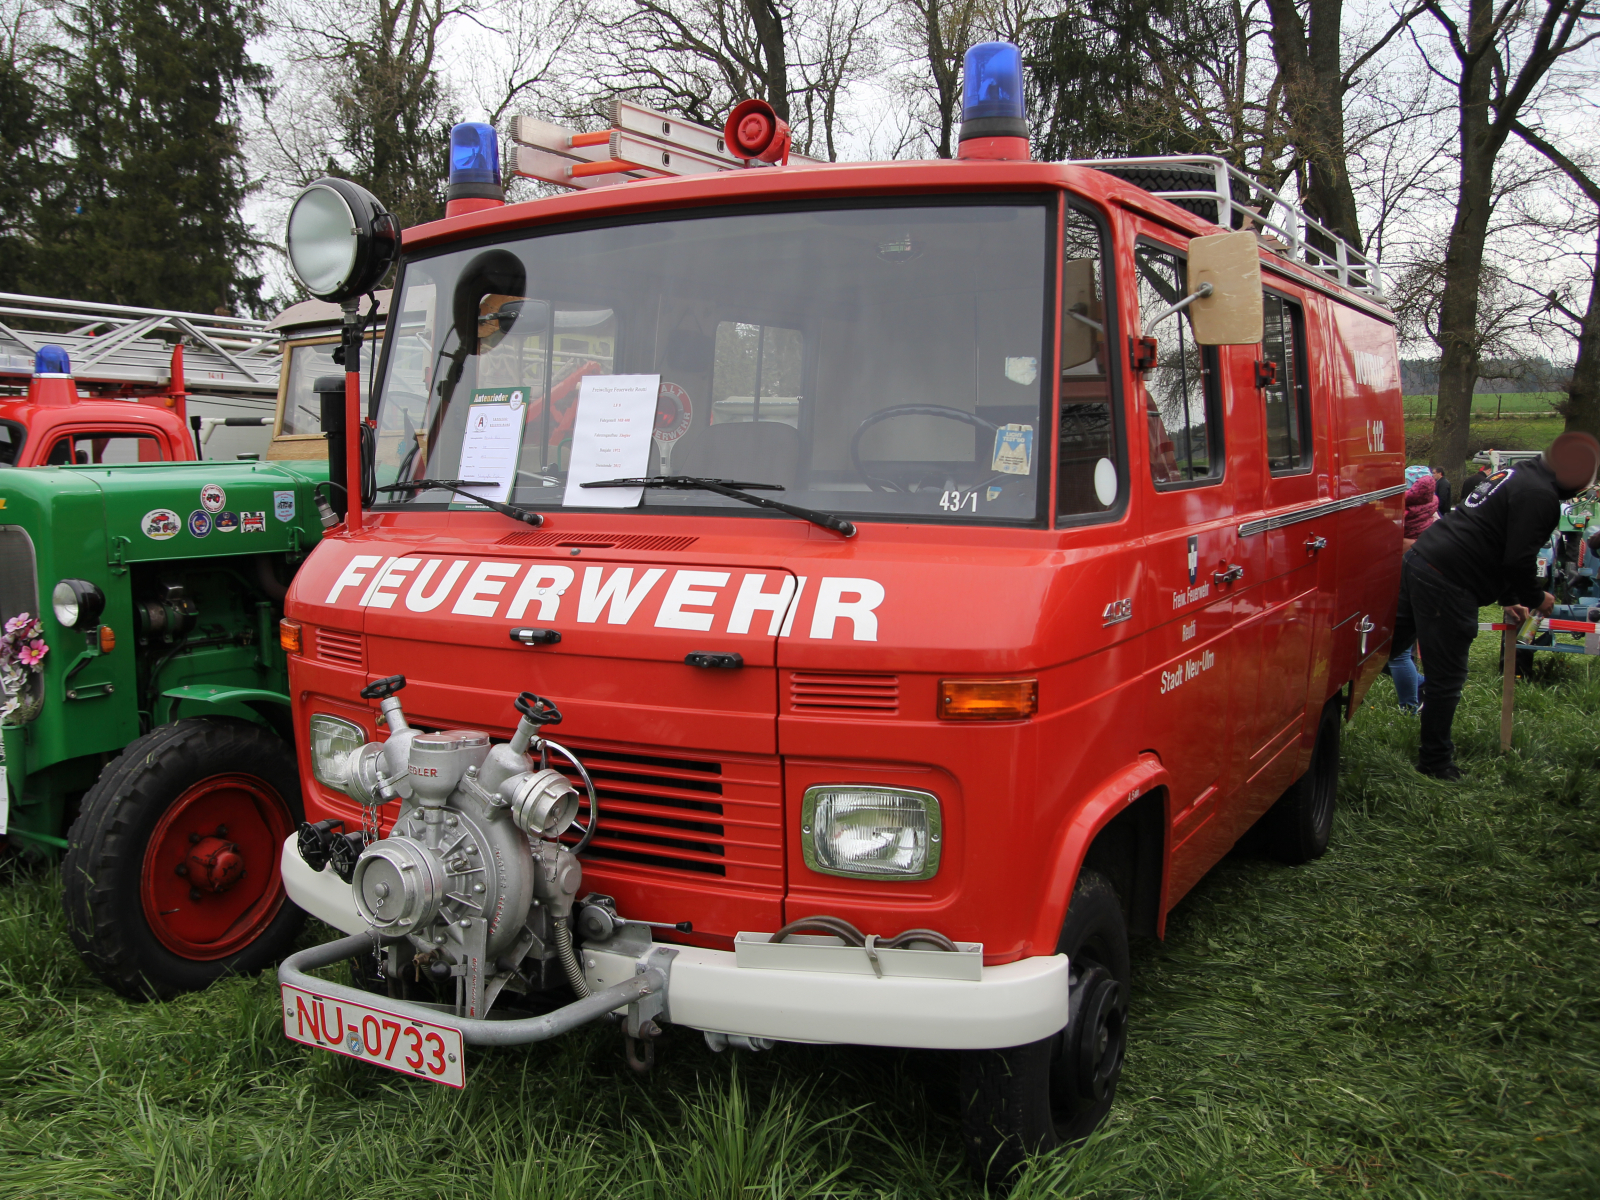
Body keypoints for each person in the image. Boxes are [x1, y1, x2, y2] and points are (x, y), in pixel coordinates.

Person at [1392, 432, 1600, 780]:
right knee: (1448, 677)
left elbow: (1496, 537)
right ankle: (1435, 762)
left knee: (1387, 648)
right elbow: (1518, 560)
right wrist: (1536, 597)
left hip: (1421, 559)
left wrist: (1509, 598)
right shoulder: (1540, 495)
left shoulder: (1519, 474)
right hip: (1450, 578)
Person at [1387, 466, 1438, 711]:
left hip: (1405, 583)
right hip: (1423, 583)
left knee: (1397, 654)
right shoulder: (1432, 510)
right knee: (1396, 651)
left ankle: (1410, 704)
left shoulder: (1404, 512)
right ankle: (1423, 684)